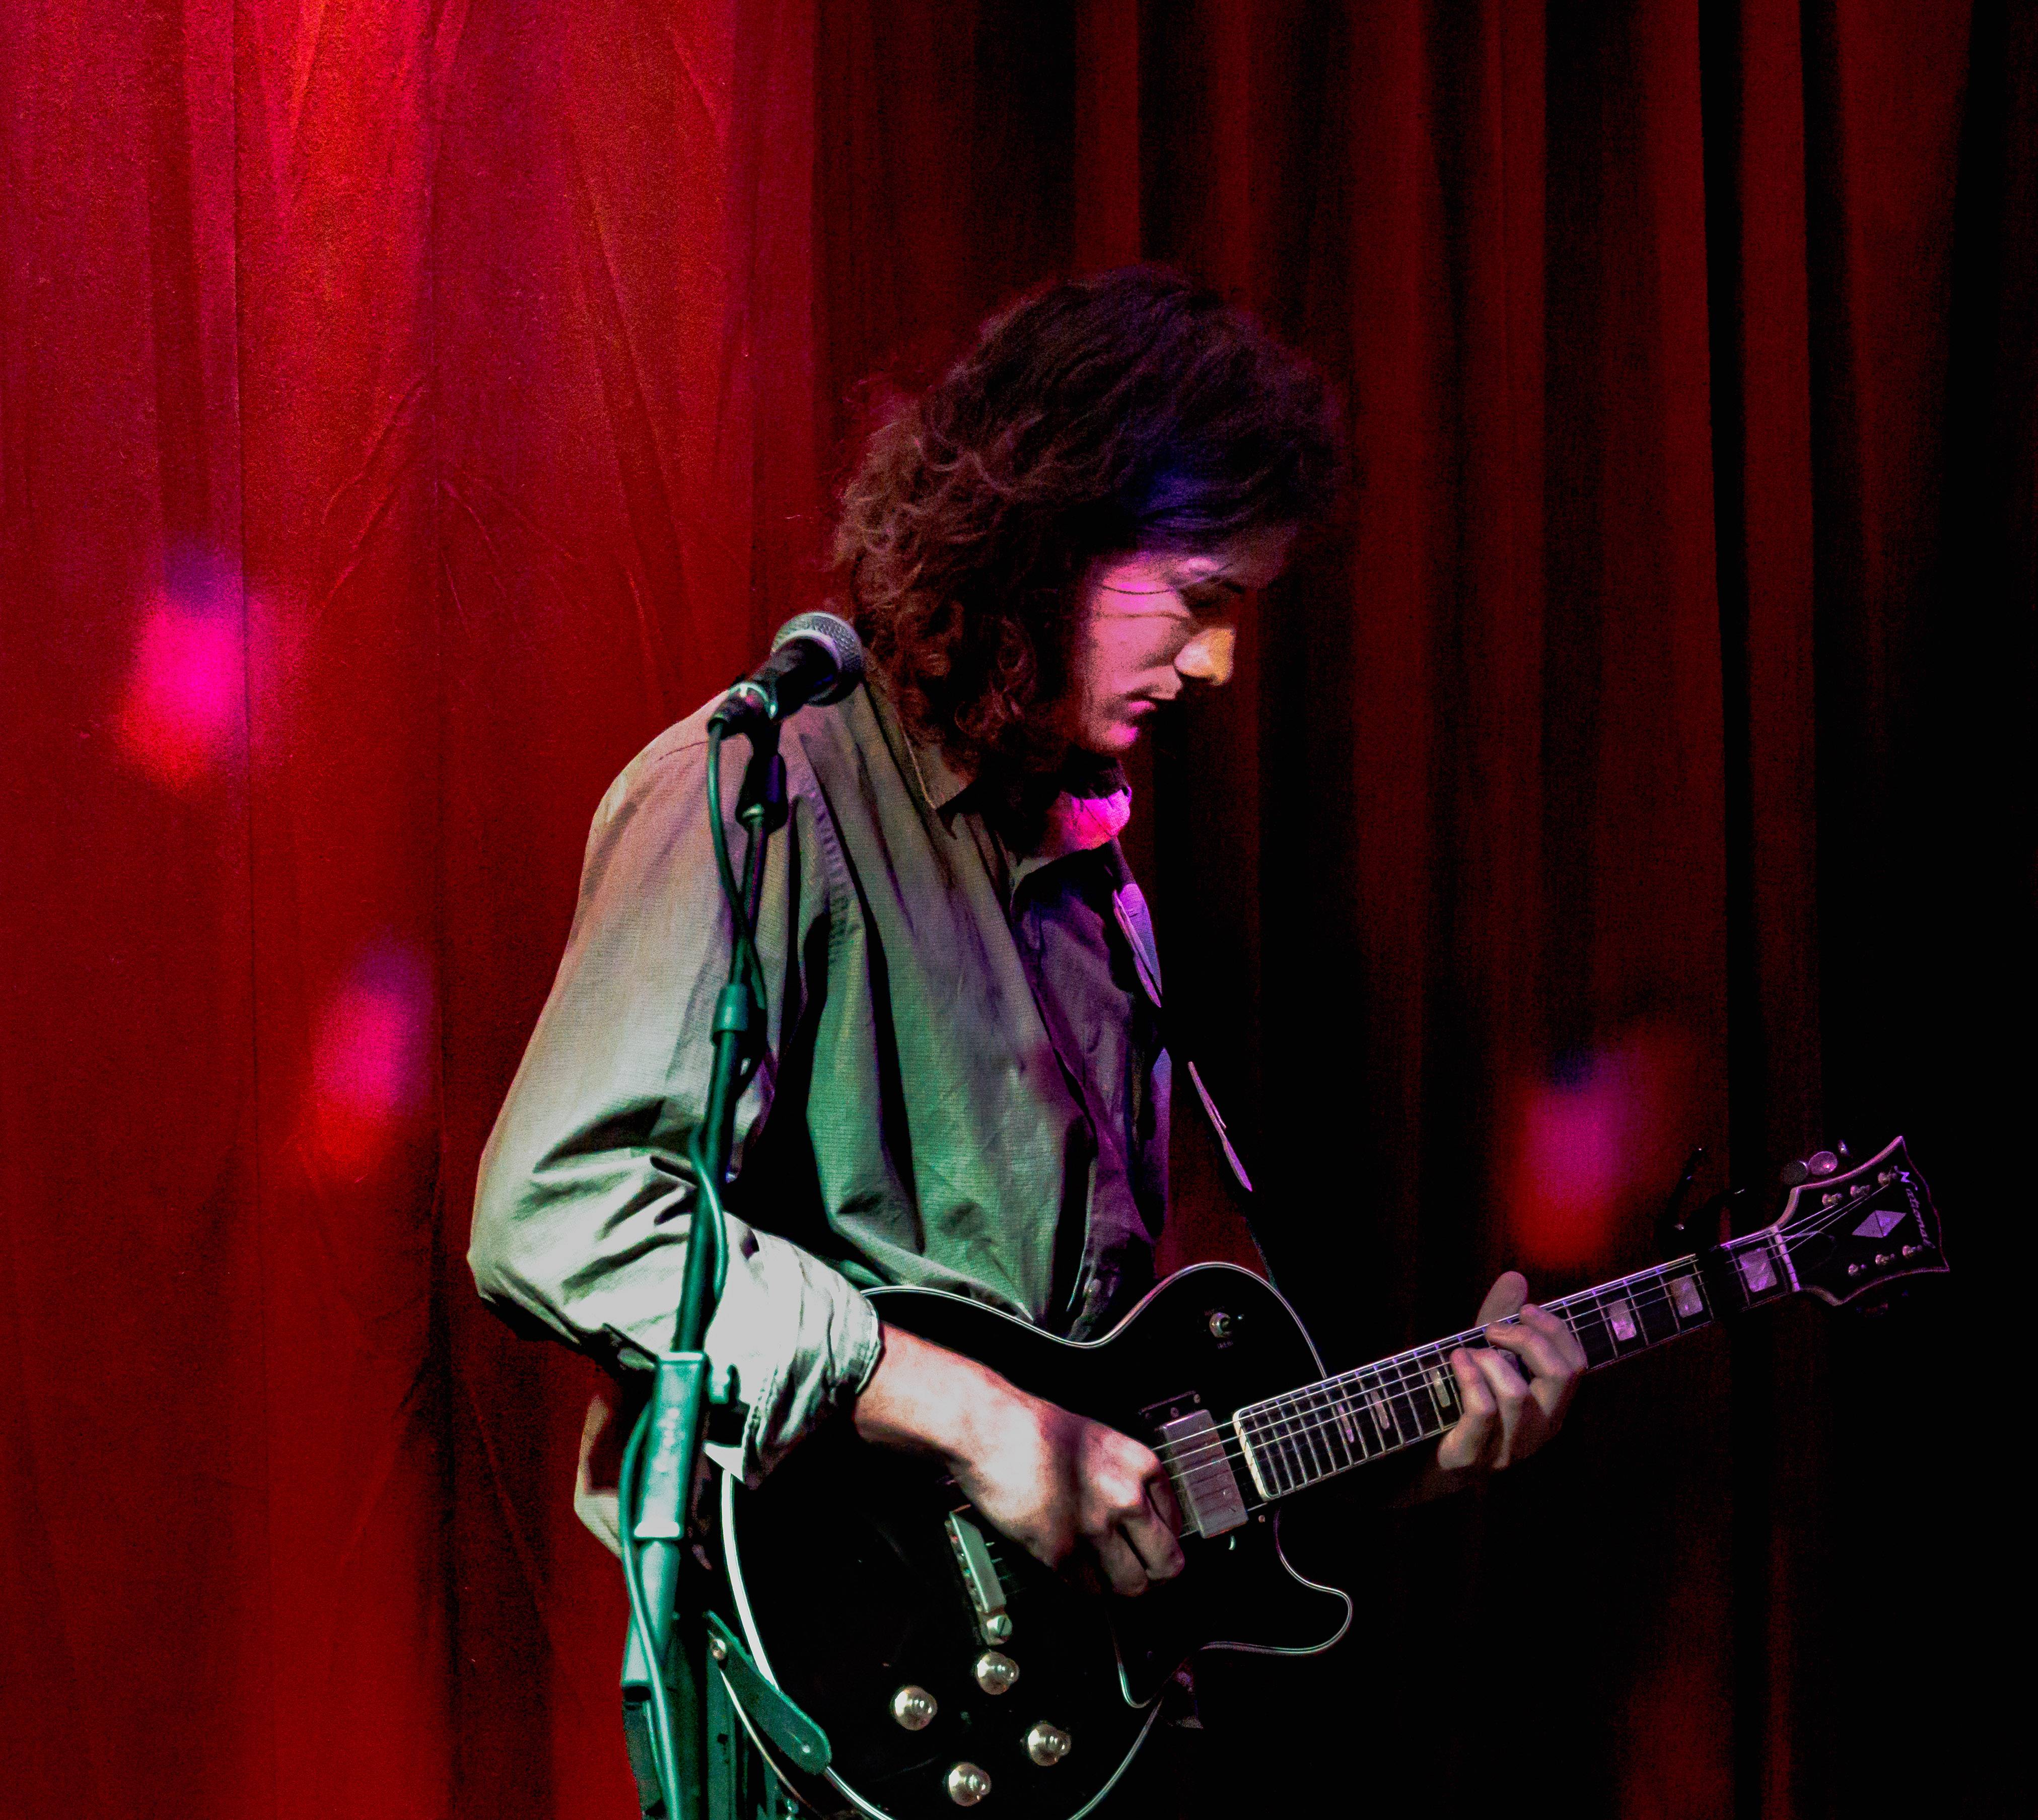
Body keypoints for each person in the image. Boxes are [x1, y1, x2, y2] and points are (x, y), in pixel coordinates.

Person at [469, 267, 1586, 1798]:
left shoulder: (1092, 873)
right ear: (1050, 541)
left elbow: (1154, 1413)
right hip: (832, 1718)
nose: (1220, 664)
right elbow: (556, 1210)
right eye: (1199, 597)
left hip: (1088, 1733)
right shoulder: (765, 793)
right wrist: (975, 1420)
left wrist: (1414, 1446)